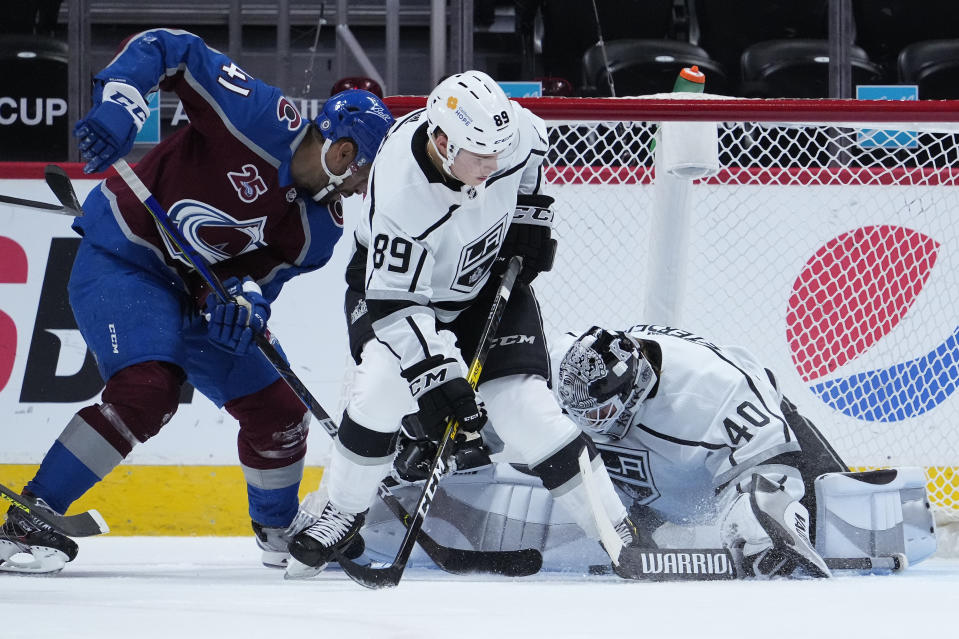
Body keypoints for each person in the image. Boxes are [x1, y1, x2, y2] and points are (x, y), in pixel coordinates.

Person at [0, 28, 394, 576]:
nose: (361, 189)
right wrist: (123, 105)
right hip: (126, 258)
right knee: (149, 387)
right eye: (365, 173)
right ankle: (30, 517)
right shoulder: (256, 117)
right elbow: (171, 47)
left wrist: (244, 305)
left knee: (280, 413)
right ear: (345, 152)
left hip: (190, 294)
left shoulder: (318, 232)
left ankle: (279, 532)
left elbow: (251, 279)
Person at [283, 70, 636, 578]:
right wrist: (439, 376)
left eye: (499, 152)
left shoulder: (506, 135)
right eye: (480, 156)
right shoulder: (401, 188)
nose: (494, 166)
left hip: (485, 283)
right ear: (443, 142)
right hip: (401, 297)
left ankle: (617, 531)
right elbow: (399, 305)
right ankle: (343, 509)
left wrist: (531, 215)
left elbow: (533, 141)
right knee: (382, 389)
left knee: (526, 412)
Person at [551, 323, 935, 578]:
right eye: (576, 412)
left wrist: (764, 528)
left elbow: (772, 476)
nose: (585, 421)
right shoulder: (574, 368)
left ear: (635, 387)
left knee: (793, 531)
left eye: (598, 411)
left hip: (749, 445)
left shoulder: (712, 390)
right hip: (660, 473)